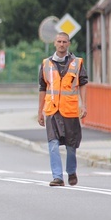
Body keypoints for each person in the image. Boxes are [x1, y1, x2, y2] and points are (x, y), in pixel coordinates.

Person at [38, 32, 88, 187]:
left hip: (70, 110)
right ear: (54, 43)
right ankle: (58, 177)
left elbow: (83, 83)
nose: (61, 44)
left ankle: (71, 171)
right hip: (52, 110)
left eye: (64, 42)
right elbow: (42, 88)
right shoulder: (46, 64)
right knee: (52, 144)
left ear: (69, 43)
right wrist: (40, 111)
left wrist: (83, 104)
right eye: (59, 41)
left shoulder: (77, 63)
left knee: (71, 146)